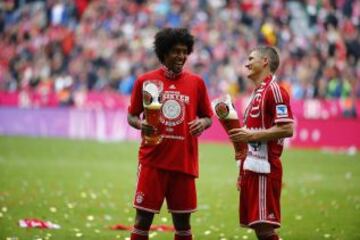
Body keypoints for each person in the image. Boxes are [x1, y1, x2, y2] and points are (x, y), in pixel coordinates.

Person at [127, 28, 213, 240]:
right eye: (176, 51)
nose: (181, 56)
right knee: (142, 221)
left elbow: (209, 117)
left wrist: (202, 123)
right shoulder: (145, 81)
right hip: (153, 162)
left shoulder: (197, 83)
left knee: (183, 225)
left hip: (183, 164)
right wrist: (140, 124)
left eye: (185, 52)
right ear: (164, 52)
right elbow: (131, 116)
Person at [229, 46, 294, 240]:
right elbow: (252, 134)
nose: (247, 63)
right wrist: (242, 163)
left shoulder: (275, 91)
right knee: (260, 228)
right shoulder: (257, 93)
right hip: (252, 168)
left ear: (265, 61)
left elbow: (287, 129)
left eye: (251, 59)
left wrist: (250, 137)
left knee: (265, 229)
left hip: (265, 169)